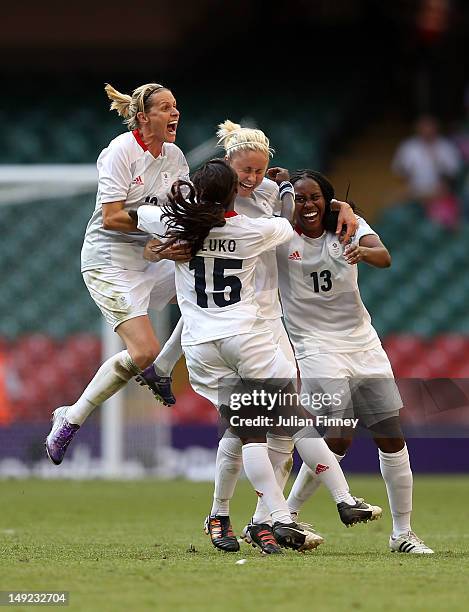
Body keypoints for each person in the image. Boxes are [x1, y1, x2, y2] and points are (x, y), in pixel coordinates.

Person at [138, 159, 382, 555]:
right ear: (234, 191)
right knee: (292, 419)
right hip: (247, 340)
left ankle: (259, 516)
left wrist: (162, 234)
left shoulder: (174, 224)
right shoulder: (251, 229)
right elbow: (288, 223)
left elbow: (136, 213)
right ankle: (336, 499)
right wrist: (290, 192)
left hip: (201, 347)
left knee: (247, 433)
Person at [279, 170, 433, 554]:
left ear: (326, 199)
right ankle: (288, 514)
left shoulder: (348, 226)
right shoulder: (278, 236)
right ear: (288, 203)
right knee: (340, 431)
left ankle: (402, 534)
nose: (308, 204)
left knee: (391, 435)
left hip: (362, 342)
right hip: (313, 345)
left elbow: (384, 256)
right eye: (300, 198)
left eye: (315, 197)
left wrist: (362, 250)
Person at [45, 82, 190, 465]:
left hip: (149, 256)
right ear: (143, 118)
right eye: (165, 108)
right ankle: (72, 418)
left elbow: (177, 214)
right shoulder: (120, 152)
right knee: (142, 351)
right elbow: (111, 217)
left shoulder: (175, 158)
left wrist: (175, 240)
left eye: (175, 107)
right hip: (109, 261)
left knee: (204, 281)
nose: (175, 114)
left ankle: (160, 368)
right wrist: (156, 234)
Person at [391, 115, 461, 207]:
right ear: (418, 129)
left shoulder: (446, 147)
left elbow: (455, 171)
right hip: (413, 190)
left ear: (436, 129)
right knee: (392, 203)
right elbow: (397, 170)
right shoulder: (408, 146)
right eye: (424, 128)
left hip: (439, 191)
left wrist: (439, 164)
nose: (427, 131)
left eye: (430, 128)